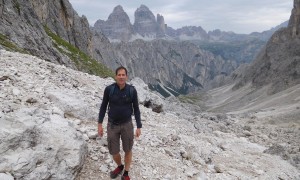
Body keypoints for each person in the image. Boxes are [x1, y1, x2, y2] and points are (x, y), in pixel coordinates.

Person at [98, 66, 142, 180]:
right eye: (119, 75)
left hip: (127, 124)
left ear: (126, 77)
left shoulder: (132, 90)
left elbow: (136, 109)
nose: (121, 77)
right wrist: (99, 124)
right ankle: (120, 166)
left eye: (123, 75)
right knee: (114, 151)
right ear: (115, 76)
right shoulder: (109, 89)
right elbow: (103, 107)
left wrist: (139, 126)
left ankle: (126, 173)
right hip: (112, 125)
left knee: (128, 149)